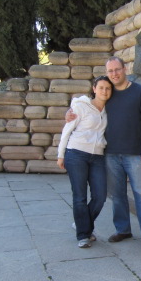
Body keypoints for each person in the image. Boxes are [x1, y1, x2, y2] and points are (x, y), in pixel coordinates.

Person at [66, 56, 141, 249]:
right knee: (117, 195)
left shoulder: (140, 92)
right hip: (110, 154)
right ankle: (123, 229)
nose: (114, 74)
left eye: (117, 69)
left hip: (136, 154)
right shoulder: (106, 93)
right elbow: (84, 103)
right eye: (110, 71)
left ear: (124, 69)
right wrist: (68, 112)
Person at [58, 76, 113, 248]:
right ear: (94, 89)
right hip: (76, 154)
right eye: (101, 87)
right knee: (80, 196)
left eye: (108, 88)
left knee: (100, 196)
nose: (104, 91)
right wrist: (60, 155)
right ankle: (83, 235)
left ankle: (81, 223)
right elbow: (67, 130)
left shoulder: (109, 109)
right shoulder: (81, 106)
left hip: (97, 156)